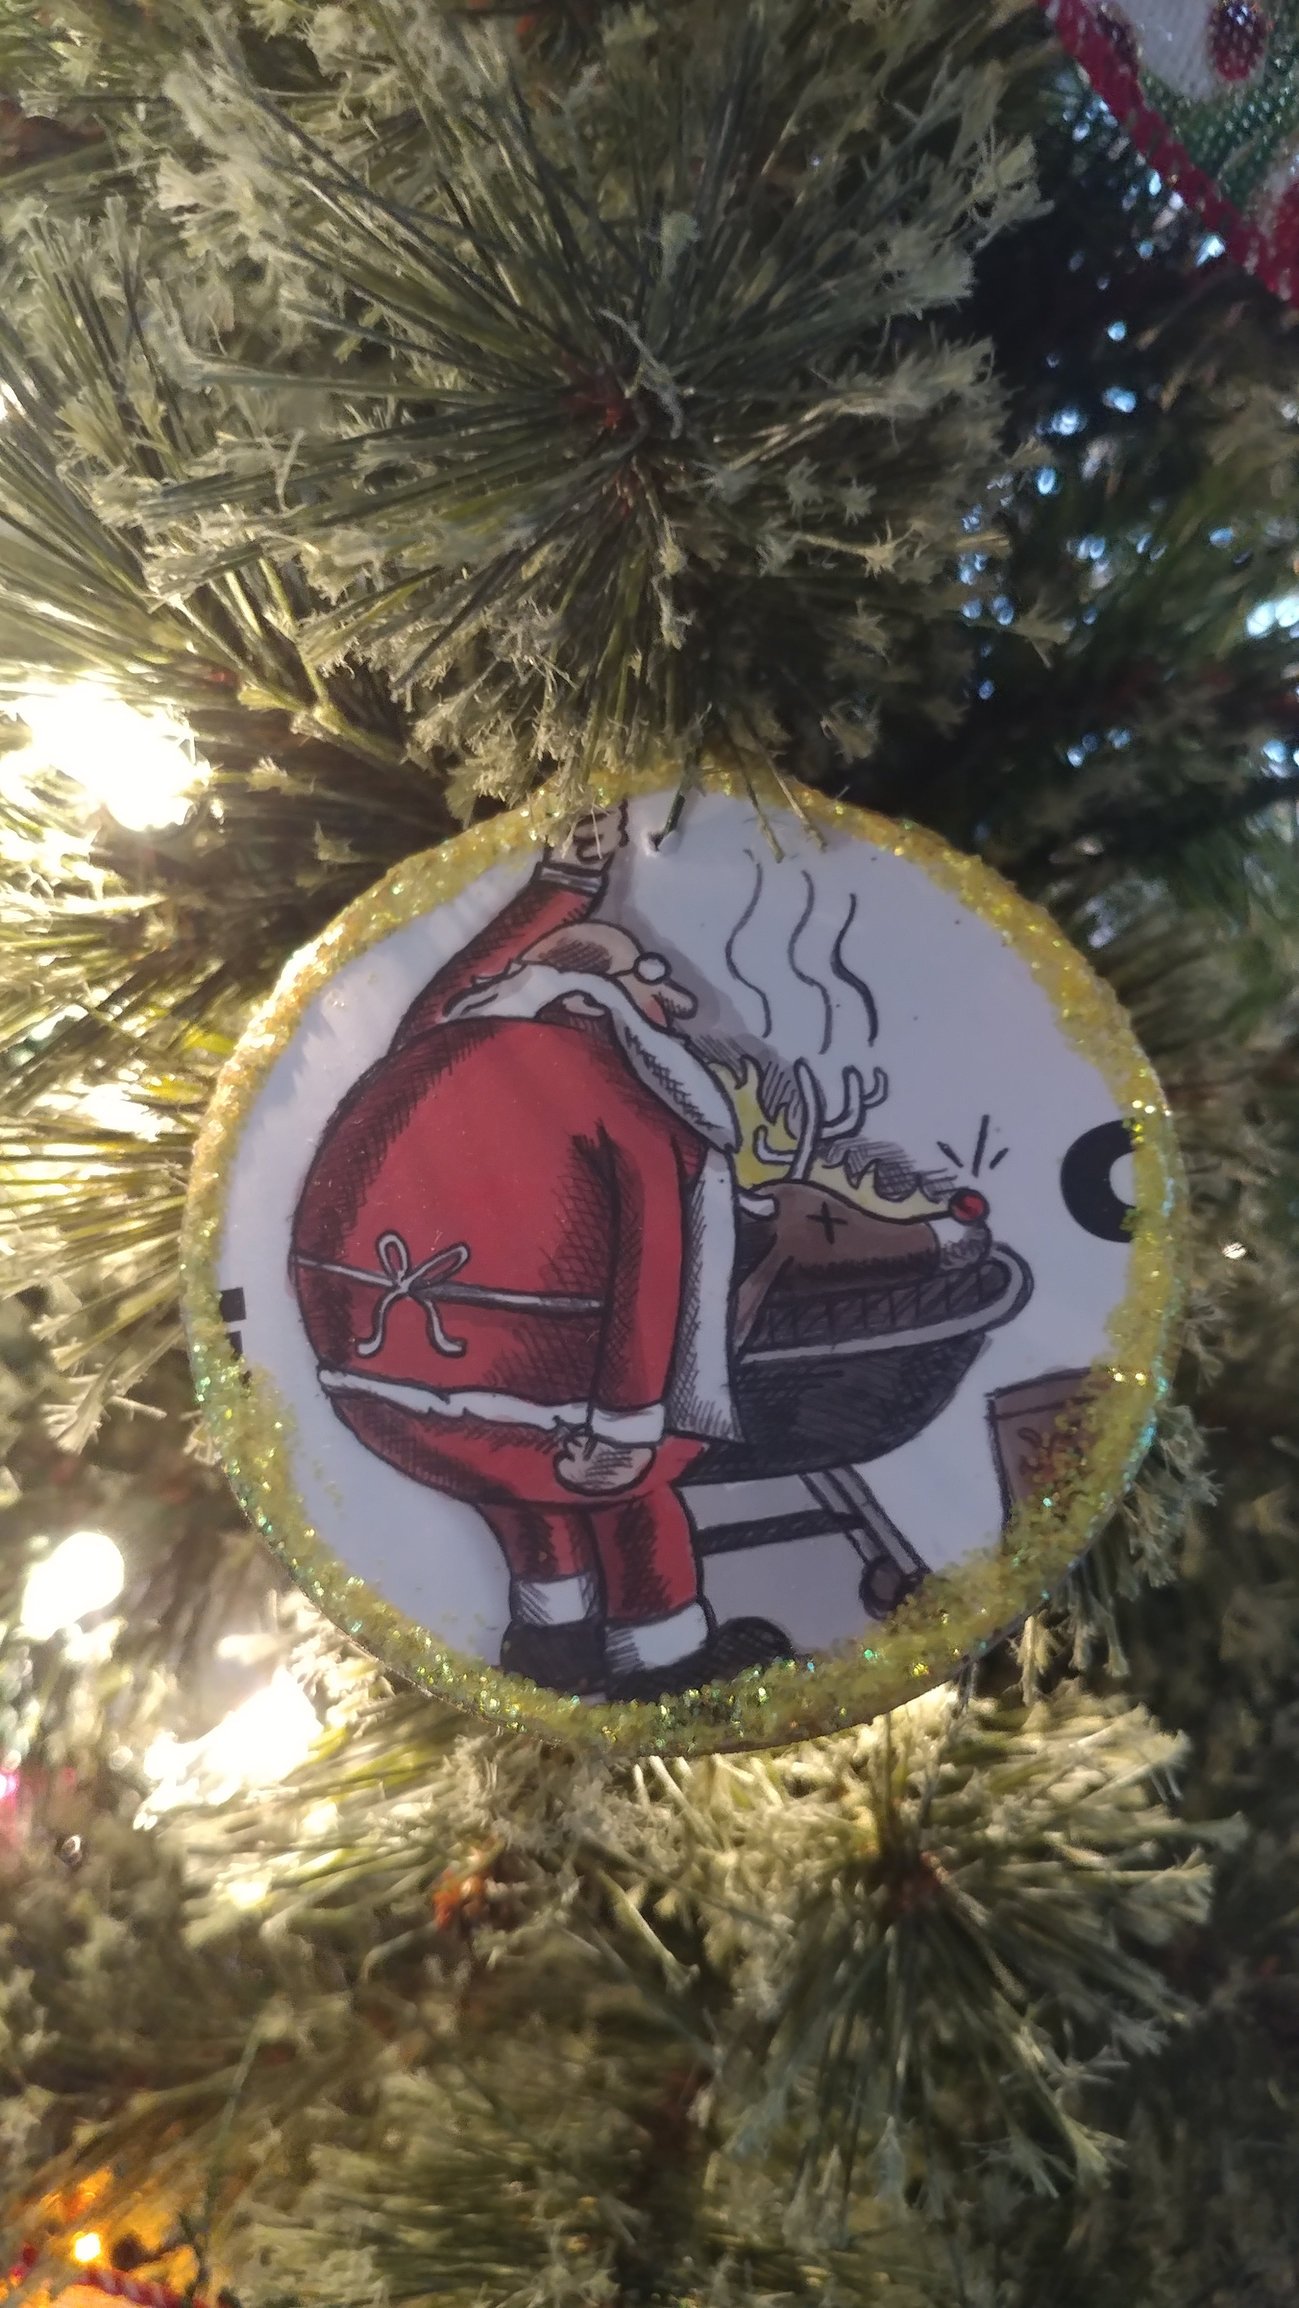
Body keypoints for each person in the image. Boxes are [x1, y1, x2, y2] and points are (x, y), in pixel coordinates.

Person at [290, 805, 790, 1700]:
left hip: (372, 1389)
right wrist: (627, 1428)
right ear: (607, 1002)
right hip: (553, 1409)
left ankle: (551, 1640)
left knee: (518, 1489)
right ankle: (664, 1659)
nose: (667, 999)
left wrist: (559, 887)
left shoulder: (438, 1039)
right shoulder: (625, 1098)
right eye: (645, 980)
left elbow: (464, 975)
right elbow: (654, 1279)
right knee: (623, 1498)